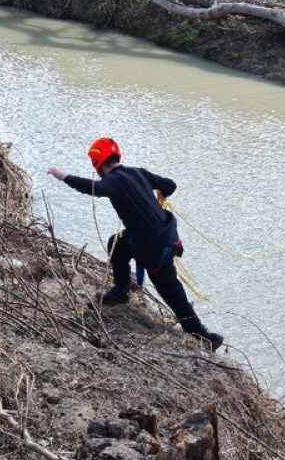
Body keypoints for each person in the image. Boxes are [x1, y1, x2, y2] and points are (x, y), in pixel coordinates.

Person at [48, 138, 224, 351]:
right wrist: (162, 193)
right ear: (117, 156)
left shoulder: (112, 181)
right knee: (117, 243)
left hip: (153, 248)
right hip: (165, 236)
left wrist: (64, 176)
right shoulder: (138, 172)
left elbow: (93, 188)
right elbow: (170, 185)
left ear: (98, 163)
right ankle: (121, 291)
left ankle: (204, 337)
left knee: (171, 292)